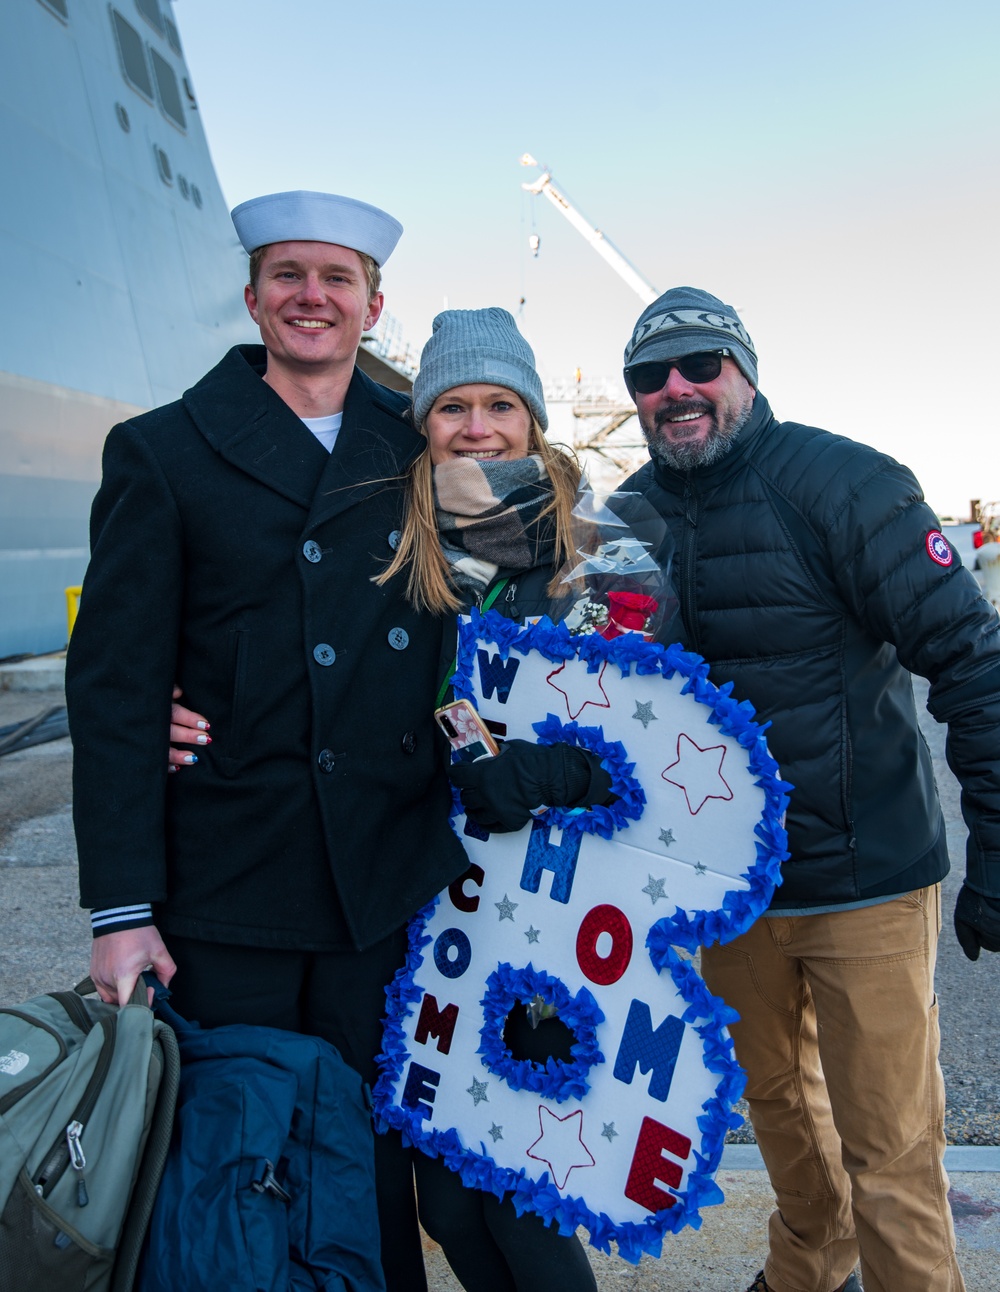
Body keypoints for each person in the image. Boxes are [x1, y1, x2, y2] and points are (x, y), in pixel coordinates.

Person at [66, 190, 470, 1290]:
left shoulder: (418, 451)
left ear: (372, 305)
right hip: (228, 871)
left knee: (377, 1161)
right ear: (251, 298)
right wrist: (120, 908)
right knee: (228, 1155)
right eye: (288, 275)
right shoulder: (162, 451)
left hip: (379, 880)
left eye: (337, 280)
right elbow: (112, 688)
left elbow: (513, 577)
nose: (311, 297)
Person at [167, 307, 611, 1291]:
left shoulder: (597, 552)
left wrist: (545, 771)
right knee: (445, 1193)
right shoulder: (399, 543)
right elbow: (279, 640)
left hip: (548, 908)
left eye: (500, 402)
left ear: (532, 417)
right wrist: (169, 689)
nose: (477, 425)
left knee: (514, 1183)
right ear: (423, 422)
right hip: (417, 901)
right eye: (451, 405)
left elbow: (657, 743)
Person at [616, 286, 1000, 1292]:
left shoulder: (845, 483)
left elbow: (972, 658)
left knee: (890, 1145)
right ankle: (806, 1264)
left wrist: (997, 849)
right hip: (730, 890)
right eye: (649, 376)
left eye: (700, 363)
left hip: (864, 876)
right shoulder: (624, 516)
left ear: (744, 369)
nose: (676, 388)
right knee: (781, 1112)